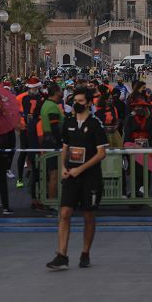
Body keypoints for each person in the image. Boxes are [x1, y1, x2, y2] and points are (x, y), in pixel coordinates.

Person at [46, 87, 107, 270]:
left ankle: (85, 252)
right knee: (64, 213)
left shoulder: (96, 124)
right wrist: (64, 167)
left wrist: (81, 169)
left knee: (88, 215)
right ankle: (62, 254)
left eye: (81, 101)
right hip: (71, 175)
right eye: (75, 101)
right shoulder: (69, 122)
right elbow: (65, 146)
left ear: (89, 103)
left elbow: (101, 153)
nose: (77, 104)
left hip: (90, 177)